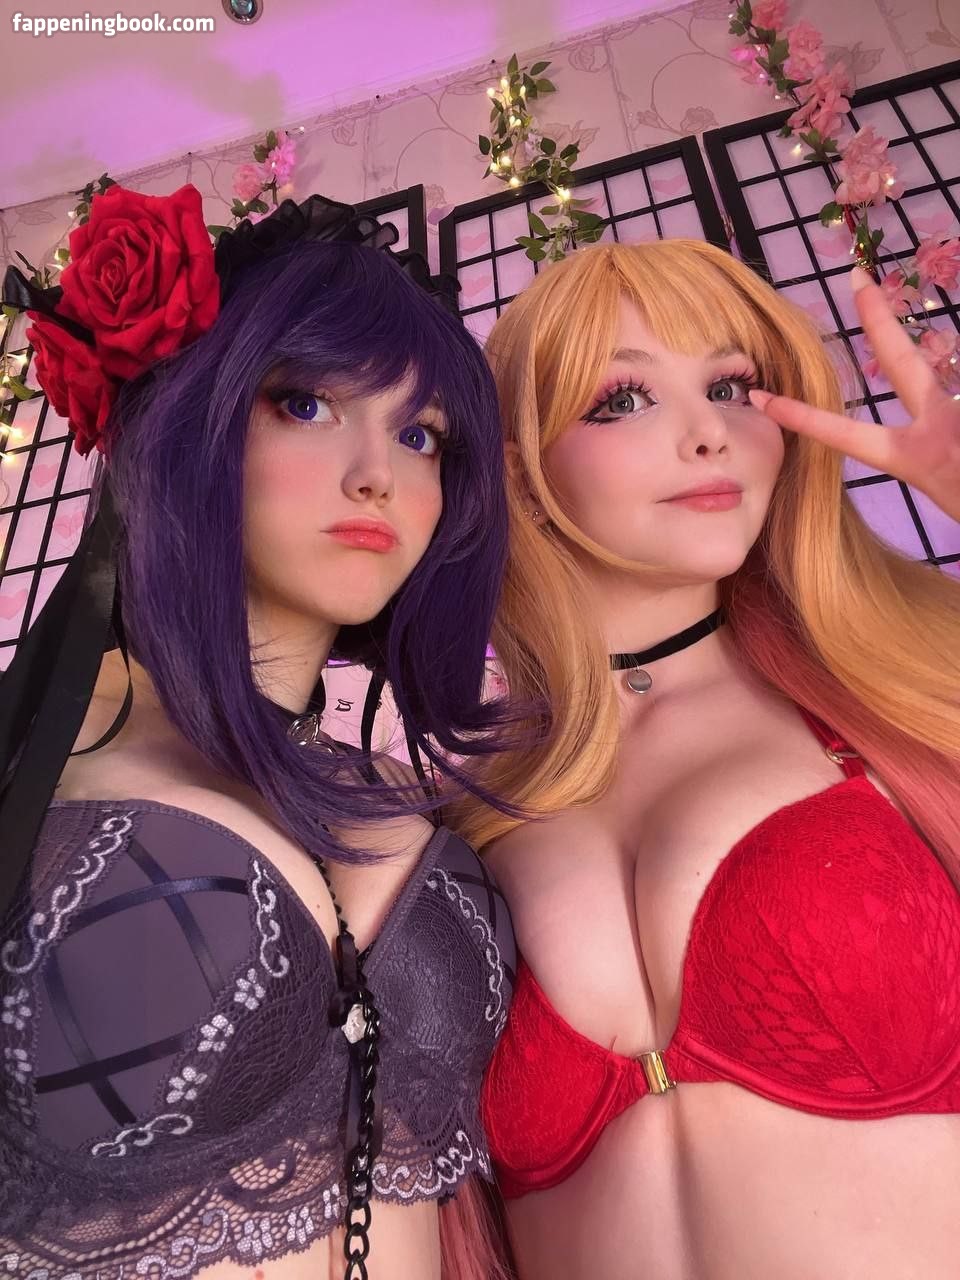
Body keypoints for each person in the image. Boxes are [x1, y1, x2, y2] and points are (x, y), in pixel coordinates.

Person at [0, 185, 518, 1280]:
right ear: (188, 417)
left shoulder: (395, 786)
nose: (379, 473)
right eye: (308, 403)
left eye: (421, 434)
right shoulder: (42, 758)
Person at [453, 239, 960, 1279]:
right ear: (518, 472)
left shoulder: (907, 690)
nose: (708, 434)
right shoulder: (464, 817)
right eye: (623, 399)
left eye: (731, 386)